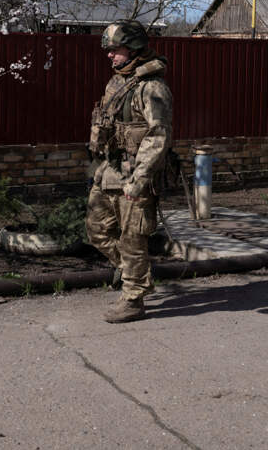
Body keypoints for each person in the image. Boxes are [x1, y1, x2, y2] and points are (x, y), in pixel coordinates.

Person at [87, 19, 173, 323]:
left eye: (115, 49)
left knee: (133, 239)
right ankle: (132, 273)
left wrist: (139, 180)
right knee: (96, 230)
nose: (110, 54)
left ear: (134, 47)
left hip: (136, 173)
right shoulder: (118, 82)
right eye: (108, 50)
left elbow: (158, 136)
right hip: (109, 170)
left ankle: (134, 298)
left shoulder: (152, 87)